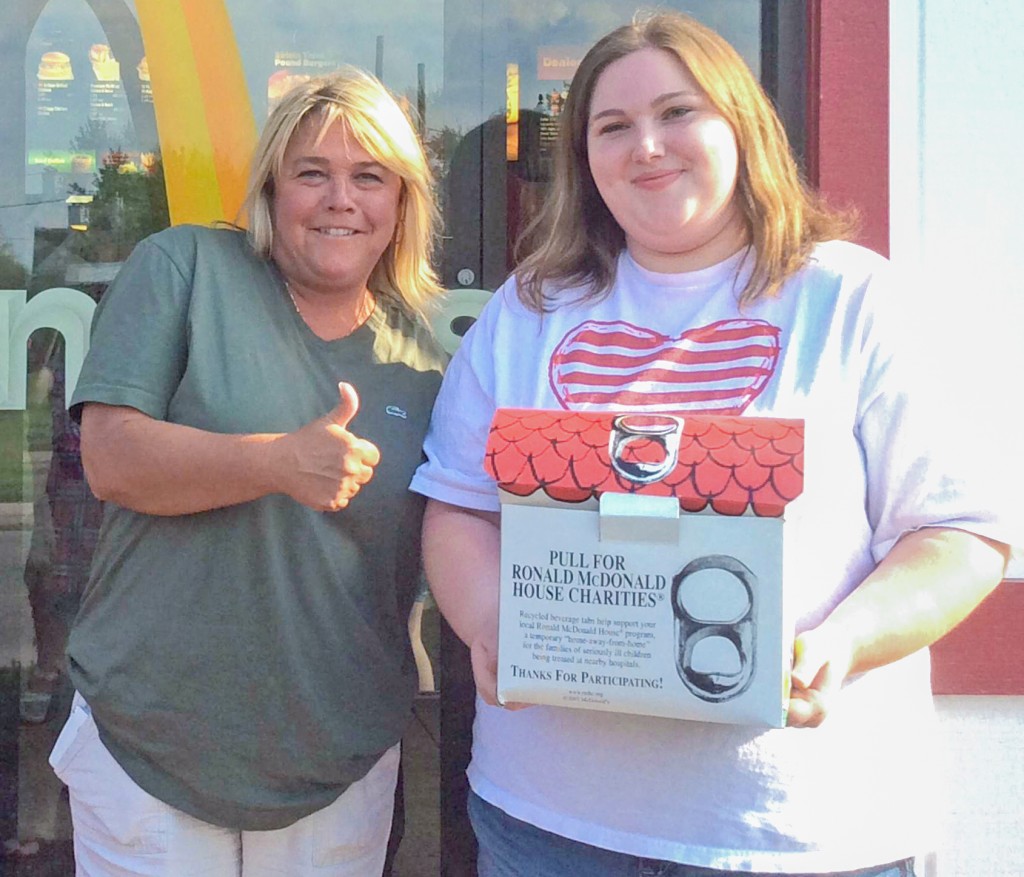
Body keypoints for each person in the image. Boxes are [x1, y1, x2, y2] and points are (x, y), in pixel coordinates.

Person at [410, 11, 1015, 877]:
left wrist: (845, 641)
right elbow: (461, 503)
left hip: (801, 834)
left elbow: (961, 534)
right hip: (546, 822)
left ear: (741, 124)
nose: (646, 145)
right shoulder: (529, 311)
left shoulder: (851, 299)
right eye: (611, 127)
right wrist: (489, 620)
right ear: (585, 161)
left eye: (677, 112)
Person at [48, 67, 447, 876]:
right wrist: (277, 461)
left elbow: (443, 547)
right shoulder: (185, 269)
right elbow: (110, 458)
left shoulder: (424, 362)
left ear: (401, 203)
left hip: (335, 769)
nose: (342, 198)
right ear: (271, 189)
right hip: (152, 759)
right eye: (313, 173)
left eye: (369, 177)